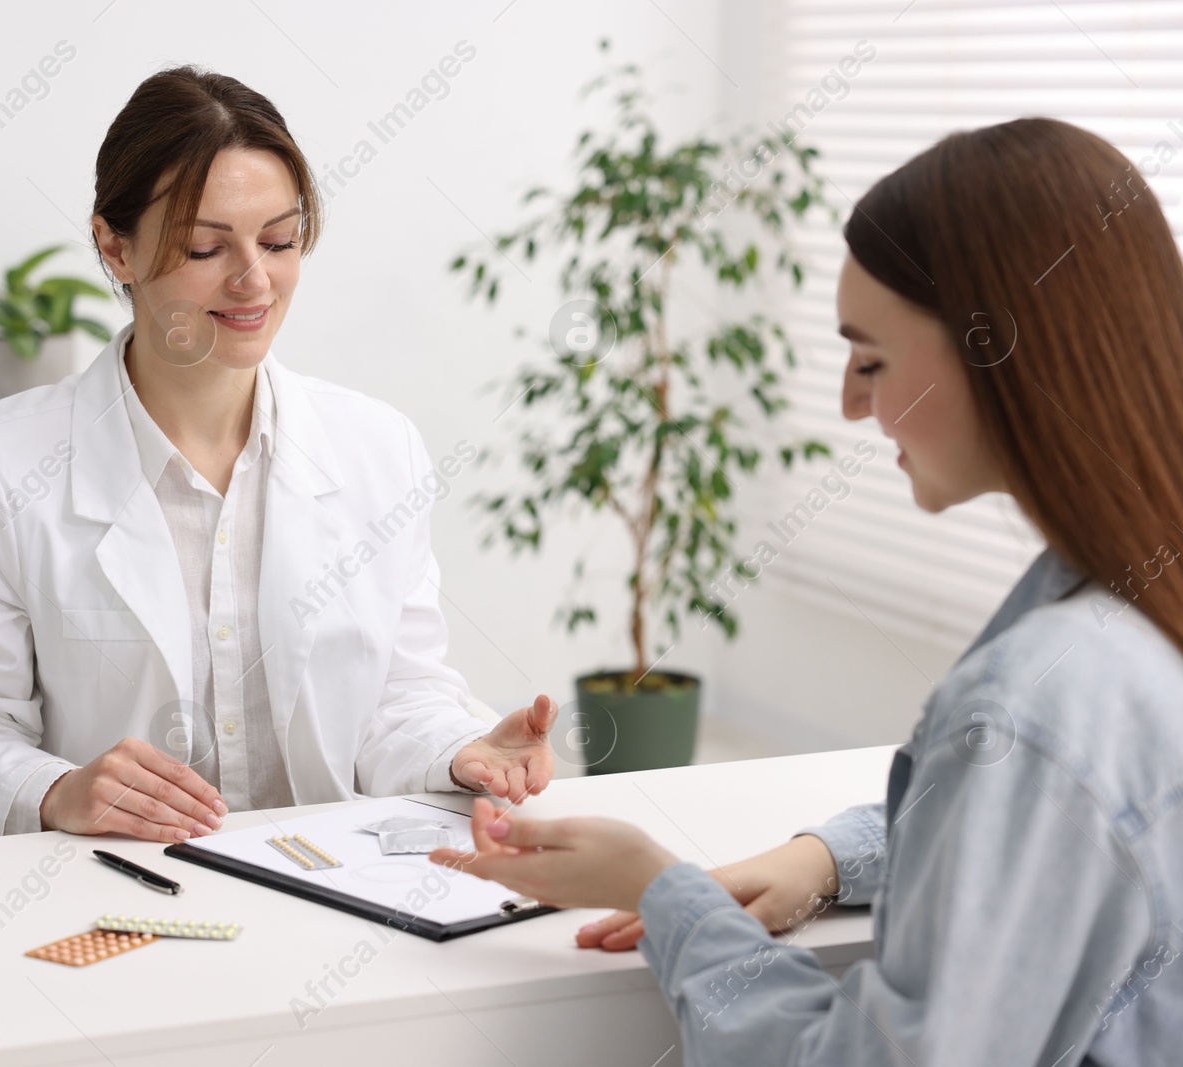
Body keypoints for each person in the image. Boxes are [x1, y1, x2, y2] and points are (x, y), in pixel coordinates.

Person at [432, 117, 1183, 1065]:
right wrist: (832, 858)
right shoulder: (1139, 602)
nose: (849, 404)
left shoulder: (1041, 701)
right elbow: (1059, 833)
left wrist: (667, 892)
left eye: (870, 358)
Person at [0, 65, 557, 843]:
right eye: (207, 247)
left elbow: (396, 701)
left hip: (332, 884)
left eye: (279, 240)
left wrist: (461, 750)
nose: (254, 280)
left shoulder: (379, 449)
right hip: (115, 895)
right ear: (115, 246)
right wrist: (58, 789)